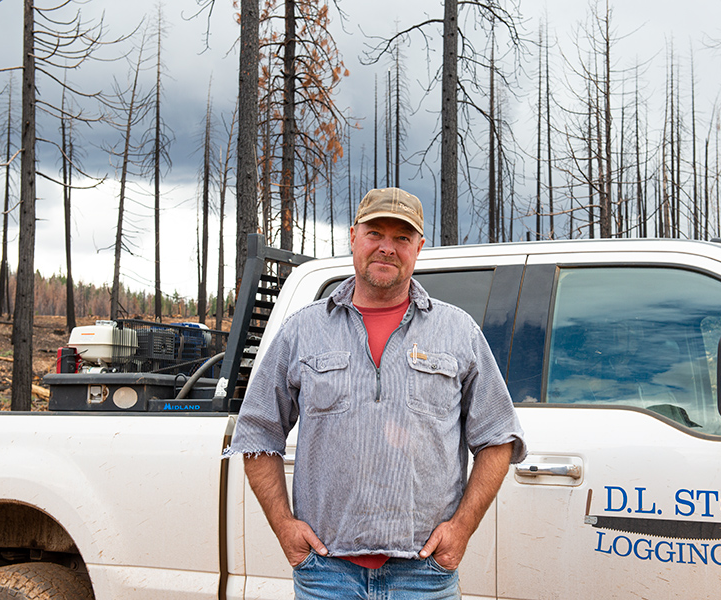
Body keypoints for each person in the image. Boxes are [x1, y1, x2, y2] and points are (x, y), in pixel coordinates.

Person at [224, 187, 526, 599]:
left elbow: (499, 437)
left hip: (424, 574)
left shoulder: (458, 332)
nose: (387, 247)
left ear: (419, 247)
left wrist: (460, 530)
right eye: (375, 233)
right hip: (327, 573)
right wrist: (284, 526)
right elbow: (258, 432)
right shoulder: (302, 330)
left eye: (402, 237)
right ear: (353, 237)